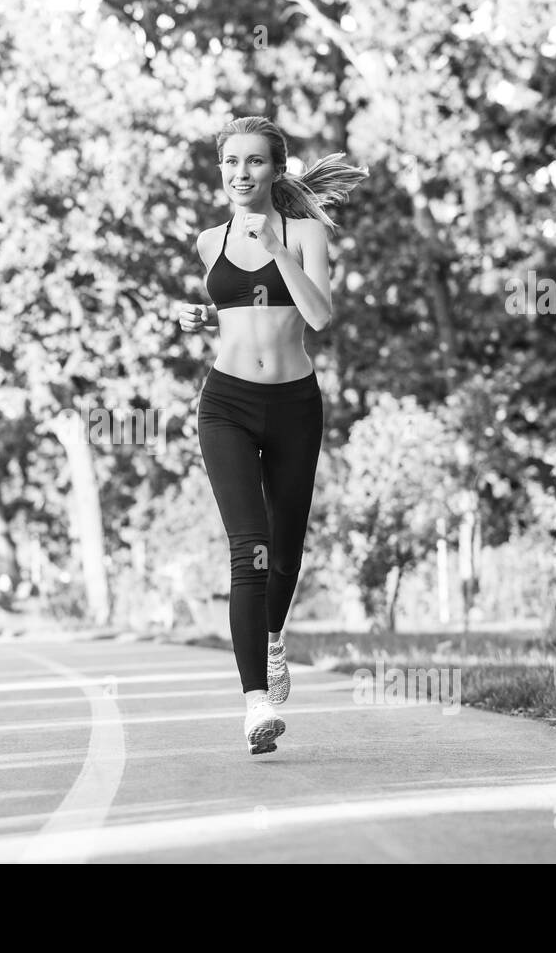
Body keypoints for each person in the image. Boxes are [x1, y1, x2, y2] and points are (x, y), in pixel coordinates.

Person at [177, 116, 368, 755]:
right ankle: (254, 702)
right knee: (249, 547)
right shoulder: (210, 241)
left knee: (285, 551)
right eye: (231, 162)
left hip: (292, 403)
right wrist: (206, 316)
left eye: (254, 162)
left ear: (275, 170)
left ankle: (273, 635)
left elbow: (316, 314)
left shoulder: (305, 233)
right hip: (226, 403)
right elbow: (243, 310)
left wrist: (277, 248)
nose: (240, 174)